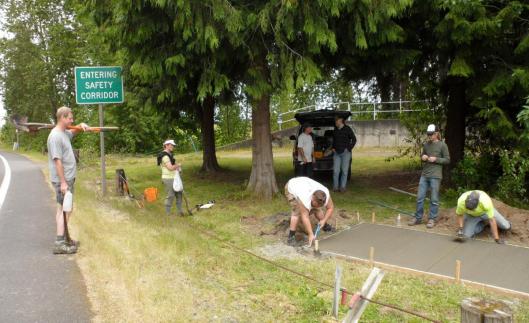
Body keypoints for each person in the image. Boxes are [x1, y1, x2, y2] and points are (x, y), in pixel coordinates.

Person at [47, 106, 90, 254]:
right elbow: (57, 161)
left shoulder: (64, 133)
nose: (72, 120)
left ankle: (64, 238)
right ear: (62, 118)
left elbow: (72, 132)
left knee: (64, 209)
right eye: (70, 118)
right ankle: (60, 242)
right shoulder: (55, 137)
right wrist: (64, 183)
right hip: (62, 181)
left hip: (68, 179)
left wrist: (80, 126)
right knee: (65, 210)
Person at [409, 124, 450, 228]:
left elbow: (447, 160)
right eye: (428, 134)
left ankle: (432, 219)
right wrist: (422, 157)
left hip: (435, 176)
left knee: (434, 199)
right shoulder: (426, 145)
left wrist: (436, 159)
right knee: (419, 197)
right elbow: (422, 156)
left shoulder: (442, 145)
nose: (429, 136)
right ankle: (418, 218)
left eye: (431, 134)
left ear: (436, 133)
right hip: (424, 175)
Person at [285, 177, 335, 246]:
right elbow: (305, 216)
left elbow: (330, 208)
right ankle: (291, 237)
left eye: (320, 205)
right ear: (312, 198)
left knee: (317, 209)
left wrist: (324, 220)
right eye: (315, 204)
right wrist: (310, 234)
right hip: (291, 186)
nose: (317, 206)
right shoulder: (304, 198)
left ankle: (325, 225)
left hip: (304, 183)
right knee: (297, 212)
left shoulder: (325, 194)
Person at [157, 139, 183, 216]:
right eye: (171, 145)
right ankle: (168, 213)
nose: (173, 147)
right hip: (168, 178)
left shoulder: (170, 155)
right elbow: (170, 168)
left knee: (179, 194)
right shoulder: (164, 156)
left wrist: (178, 168)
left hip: (175, 177)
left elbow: (173, 165)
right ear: (166, 145)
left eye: (173, 145)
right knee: (171, 195)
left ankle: (180, 212)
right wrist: (178, 166)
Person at [332, 116, 356, 192]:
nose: (335, 122)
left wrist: (349, 149)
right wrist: (333, 147)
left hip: (345, 153)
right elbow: (334, 140)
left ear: (340, 120)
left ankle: (342, 187)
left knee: (345, 171)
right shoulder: (335, 130)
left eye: (336, 121)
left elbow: (354, 139)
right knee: (336, 171)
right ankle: (335, 187)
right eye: (335, 121)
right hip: (336, 153)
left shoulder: (347, 129)